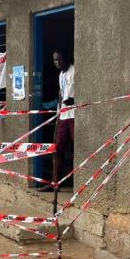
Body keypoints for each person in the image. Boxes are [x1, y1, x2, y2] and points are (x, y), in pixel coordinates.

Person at [39, 48, 74, 192]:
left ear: (66, 58)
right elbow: (61, 94)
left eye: (59, 59)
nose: (57, 62)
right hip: (63, 115)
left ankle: (77, 183)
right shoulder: (61, 75)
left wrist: (73, 100)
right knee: (57, 149)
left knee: (76, 150)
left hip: (74, 116)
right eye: (54, 60)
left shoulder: (74, 71)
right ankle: (55, 184)